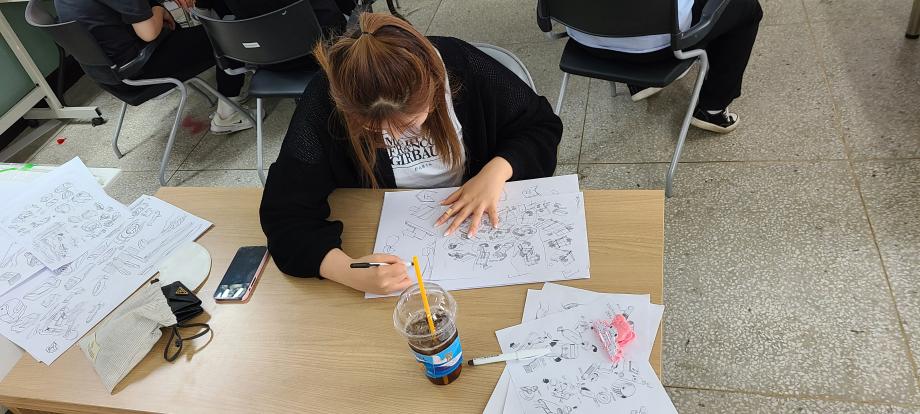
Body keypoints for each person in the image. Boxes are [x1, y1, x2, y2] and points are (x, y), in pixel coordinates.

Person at [259, 13, 563, 295]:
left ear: (434, 92)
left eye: (407, 125)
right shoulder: (327, 99)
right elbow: (284, 216)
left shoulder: (461, 66)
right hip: (384, 232)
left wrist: (496, 171)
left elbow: (541, 126)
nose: (393, 138)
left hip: (477, 237)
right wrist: (348, 271)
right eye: (373, 130)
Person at [55, 0, 254, 134]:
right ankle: (228, 114)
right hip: (139, 69)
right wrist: (159, 11)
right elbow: (149, 33)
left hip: (107, 74)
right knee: (224, 36)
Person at [567, 0, 763, 133]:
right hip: (660, 48)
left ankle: (639, 81)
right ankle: (713, 109)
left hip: (583, 38)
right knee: (747, 7)